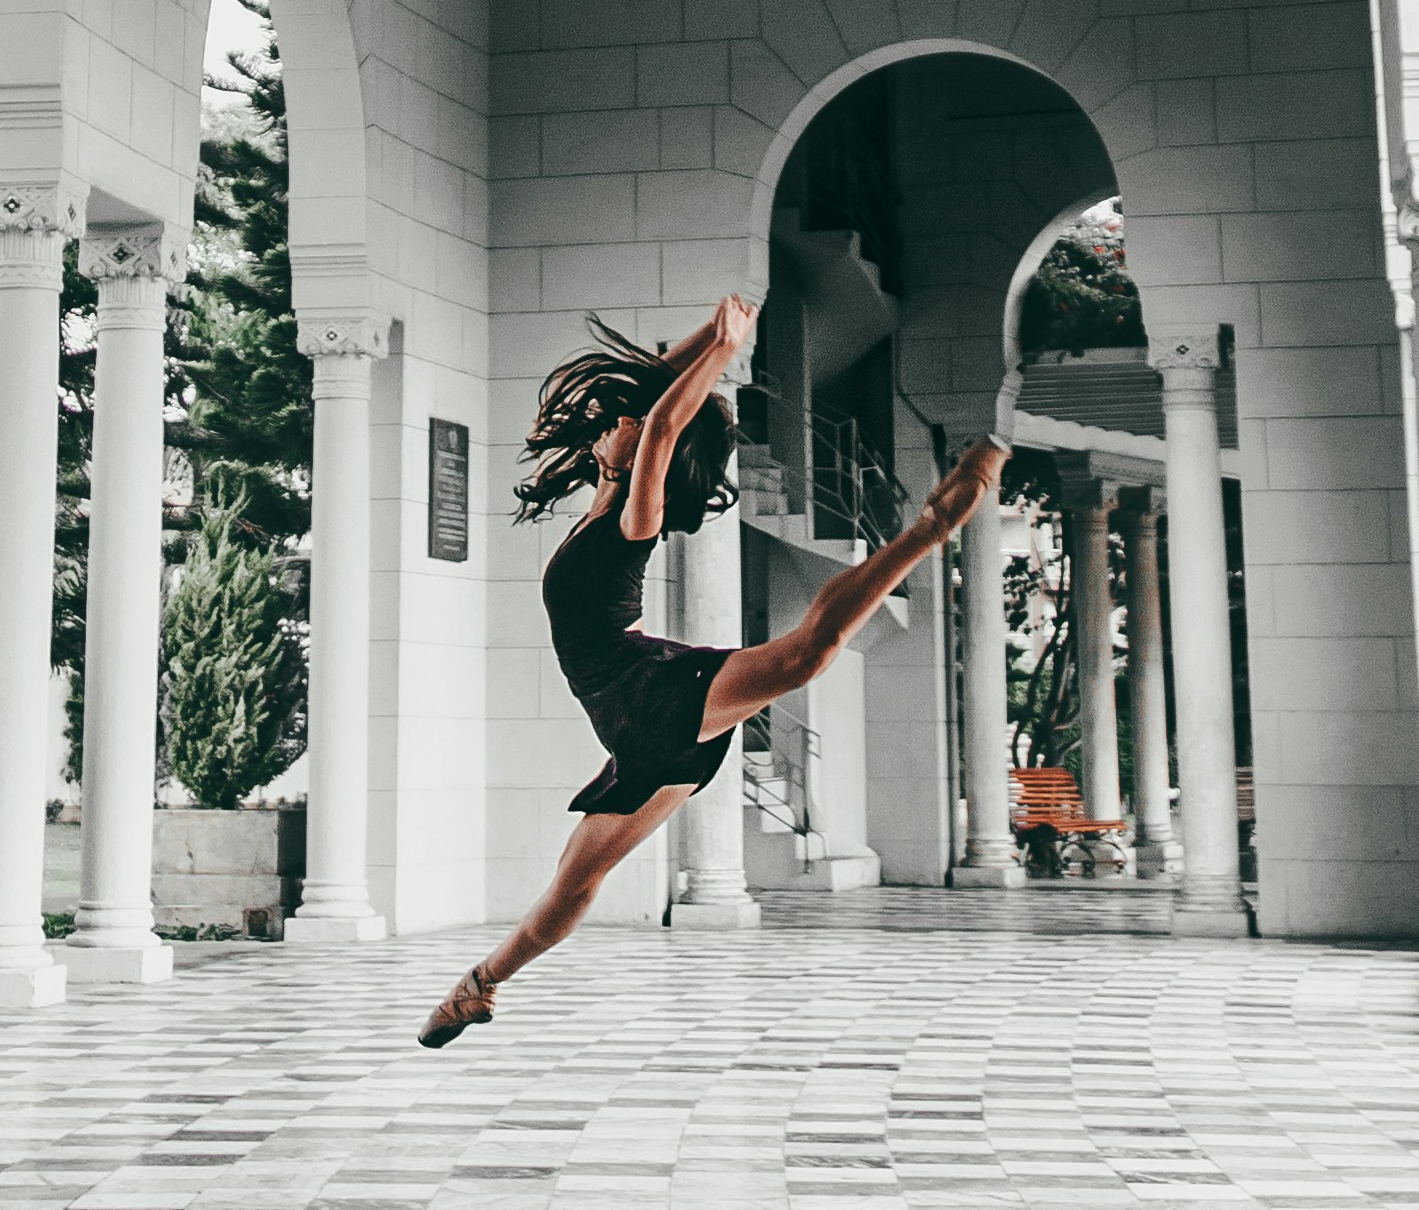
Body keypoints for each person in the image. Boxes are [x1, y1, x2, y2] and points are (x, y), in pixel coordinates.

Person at [419, 294, 1007, 1044]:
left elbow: (662, 420)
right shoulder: (608, 485)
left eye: (631, 425)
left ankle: (931, 527)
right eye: (621, 421)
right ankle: (479, 986)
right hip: (639, 730)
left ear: (643, 457)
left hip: (652, 691)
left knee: (803, 654)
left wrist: (725, 353)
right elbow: (650, 395)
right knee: (579, 881)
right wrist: (715, 331)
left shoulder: (638, 515)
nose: (621, 420)